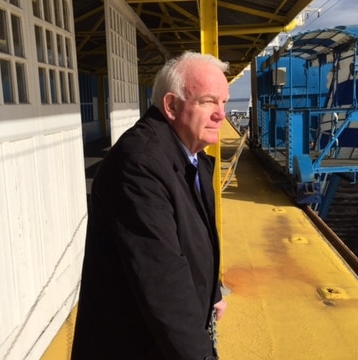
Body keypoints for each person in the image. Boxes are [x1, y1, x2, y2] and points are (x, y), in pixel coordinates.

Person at [71, 51, 229, 360]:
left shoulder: (186, 156)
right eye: (209, 101)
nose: (221, 114)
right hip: (136, 344)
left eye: (224, 102)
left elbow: (192, 238)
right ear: (171, 105)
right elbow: (163, 278)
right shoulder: (140, 163)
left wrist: (213, 291)